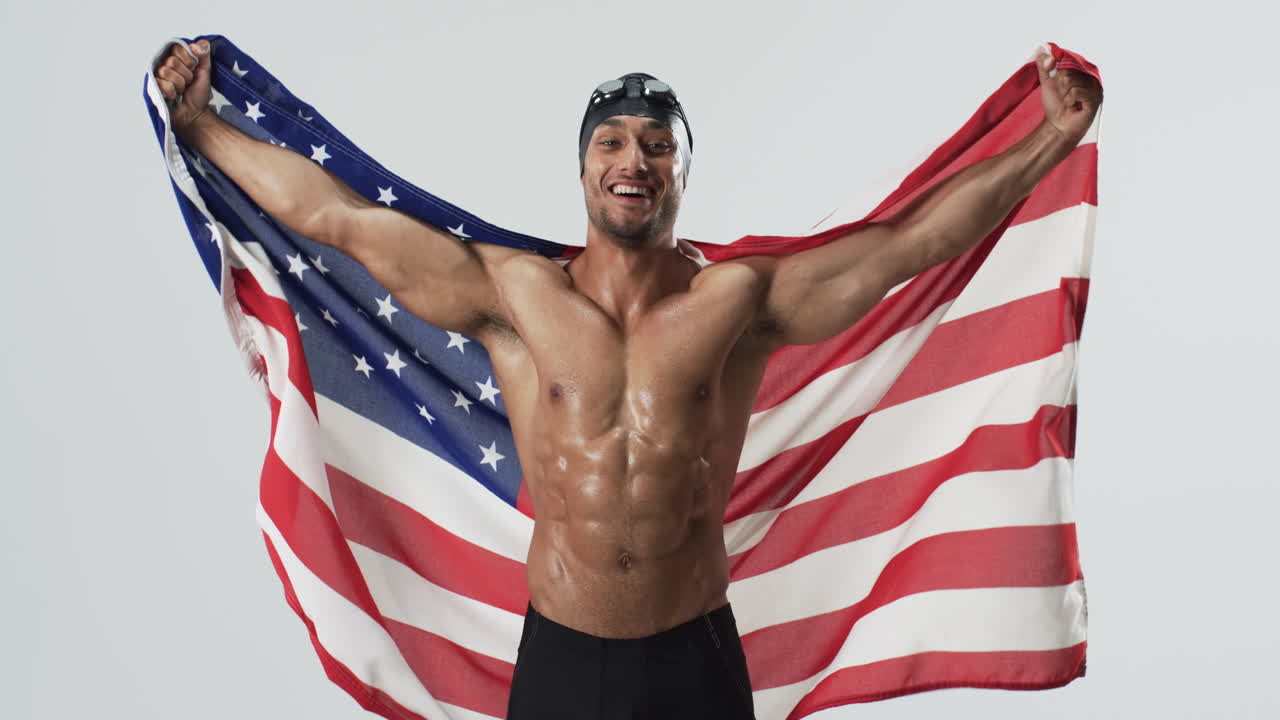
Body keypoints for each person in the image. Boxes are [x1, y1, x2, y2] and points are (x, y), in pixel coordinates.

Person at [153, 39, 1101, 720]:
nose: (633, 160)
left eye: (656, 143)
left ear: (682, 170)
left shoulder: (738, 304)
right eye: (612, 142)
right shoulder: (515, 298)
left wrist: (1051, 138)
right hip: (564, 661)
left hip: (694, 658)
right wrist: (200, 125)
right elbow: (340, 220)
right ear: (583, 169)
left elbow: (913, 246)